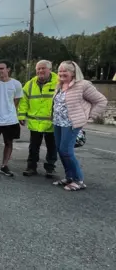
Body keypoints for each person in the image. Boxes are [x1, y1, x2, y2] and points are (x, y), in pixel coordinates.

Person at [52, 61, 107, 191]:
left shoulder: (83, 85)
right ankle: (69, 177)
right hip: (58, 122)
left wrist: (89, 116)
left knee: (66, 151)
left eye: (65, 71)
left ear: (74, 72)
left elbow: (101, 101)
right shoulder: (60, 85)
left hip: (71, 123)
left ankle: (79, 179)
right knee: (60, 150)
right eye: (60, 71)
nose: (62, 73)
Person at [18, 60, 59, 178]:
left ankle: (50, 168)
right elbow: (23, 101)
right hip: (35, 121)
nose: (40, 71)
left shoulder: (58, 82)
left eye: (43, 68)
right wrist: (21, 115)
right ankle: (31, 167)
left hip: (52, 122)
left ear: (50, 69)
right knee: (33, 146)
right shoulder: (30, 84)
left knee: (52, 146)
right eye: (38, 69)